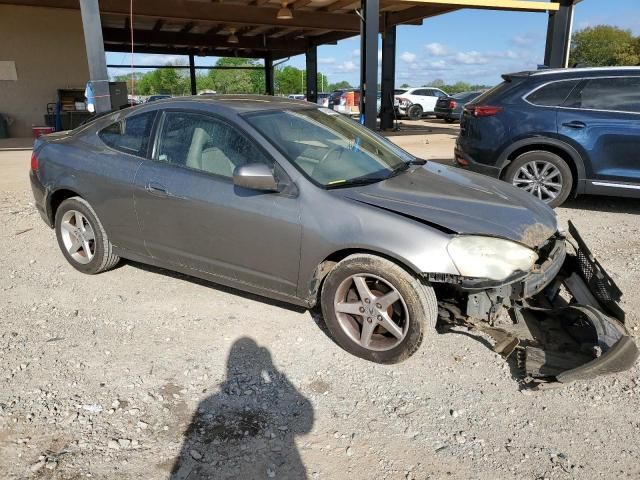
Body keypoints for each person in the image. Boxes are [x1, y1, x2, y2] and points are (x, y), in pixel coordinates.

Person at [171, 337, 314, 479]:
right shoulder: (208, 401)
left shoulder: (207, 401)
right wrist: (274, 372)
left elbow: (304, 427)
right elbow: (305, 427)